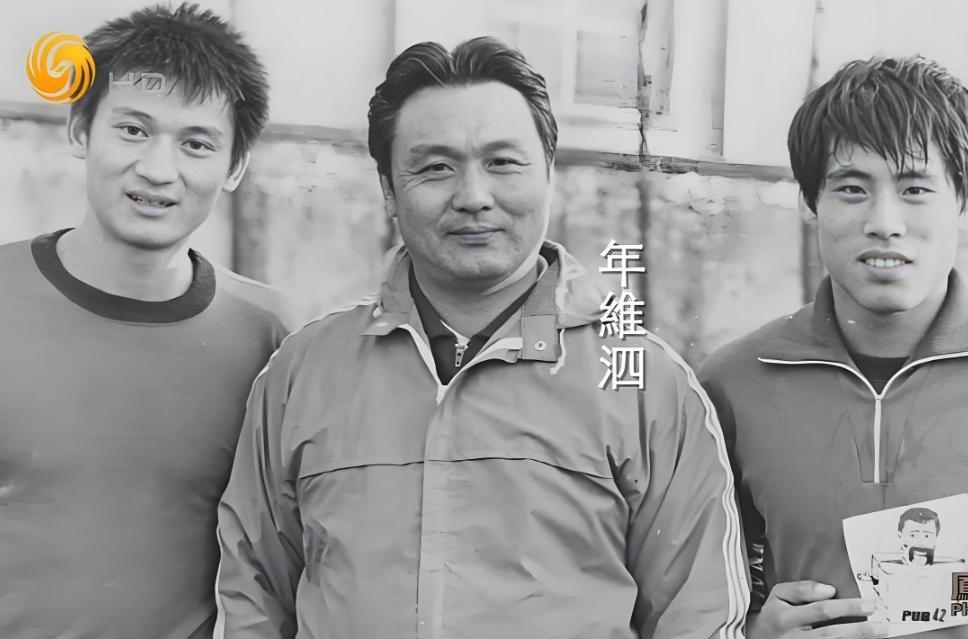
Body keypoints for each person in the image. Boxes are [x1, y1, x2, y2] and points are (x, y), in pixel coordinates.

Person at [215, 37, 748, 639]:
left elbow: (699, 616)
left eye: (502, 162)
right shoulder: (304, 372)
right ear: (388, 189)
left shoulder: (644, 382)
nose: (473, 197)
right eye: (435, 167)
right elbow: (251, 593)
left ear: (549, 174)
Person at [0, 4, 288, 638]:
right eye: (133, 130)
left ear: (235, 167)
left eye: (196, 144)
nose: (159, 170)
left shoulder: (273, 339)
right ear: (80, 128)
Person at [699, 56, 968, 639]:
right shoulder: (732, 383)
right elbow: (695, 590)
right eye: (851, 189)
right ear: (809, 202)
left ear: (962, 201)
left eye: (916, 188)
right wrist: (751, 630)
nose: (885, 222)